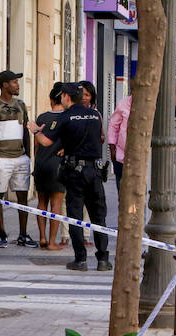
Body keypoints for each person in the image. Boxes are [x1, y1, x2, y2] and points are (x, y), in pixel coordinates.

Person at [31, 82, 111, 272]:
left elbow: (46, 141)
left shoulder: (66, 117)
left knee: (75, 216)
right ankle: (103, 259)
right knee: (98, 216)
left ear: (66, 97)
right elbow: (101, 138)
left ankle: (81, 259)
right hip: (95, 171)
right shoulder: (95, 115)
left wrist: (34, 129)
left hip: (75, 172)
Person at [0, 70, 35, 248]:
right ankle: (2, 233)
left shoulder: (21, 105)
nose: (17, 85)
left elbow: (25, 131)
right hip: (1, 157)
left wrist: (28, 156)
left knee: (23, 196)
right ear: (5, 85)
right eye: (14, 82)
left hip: (20, 157)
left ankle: (23, 234)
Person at [33, 82, 67, 250]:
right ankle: (52, 242)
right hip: (57, 165)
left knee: (41, 202)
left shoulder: (41, 117)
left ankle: (42, 237)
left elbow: (36, 145)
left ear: (51, 99)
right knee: (56, 205)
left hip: (41, 163)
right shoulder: (67, 118)